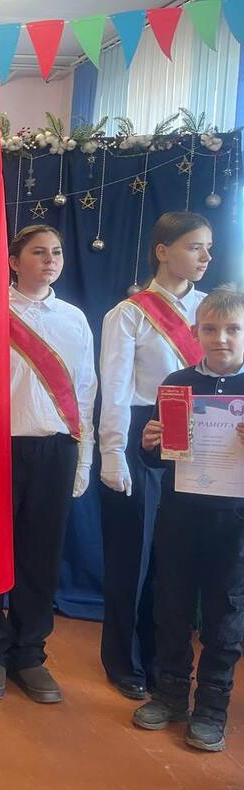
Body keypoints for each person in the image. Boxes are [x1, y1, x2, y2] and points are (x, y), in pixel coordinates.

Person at [0, 225, 96, 704]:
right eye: (39, 252)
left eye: (56, 252)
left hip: (55, 449)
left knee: (40, 558)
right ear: (13, 261)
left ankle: (28, 654)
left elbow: (86, 390)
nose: (50, 260)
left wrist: (83, 458)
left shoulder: (74, 319)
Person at [99, 212, 211, 700]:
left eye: (208, 247)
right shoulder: (129, 314)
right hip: (142, 431)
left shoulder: (211, 310)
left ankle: (166, 658)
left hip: (202, 431)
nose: (205, 257)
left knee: (177, 557)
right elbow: (116, 389)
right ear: (163, 251)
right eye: (194, 247)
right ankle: (124, 659)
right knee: (134, 555)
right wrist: (112, 450)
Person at [132, 285, 244, 752]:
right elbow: (160, 460)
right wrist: (149, 442)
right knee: (171, 606)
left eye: (233, 329)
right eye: (211, 329)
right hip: (179, 516)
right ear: (196, 333)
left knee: (225, 614)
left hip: (234, 525)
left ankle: (213, 708)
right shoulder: (178, 382)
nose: (221, 338)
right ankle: (171, 694)